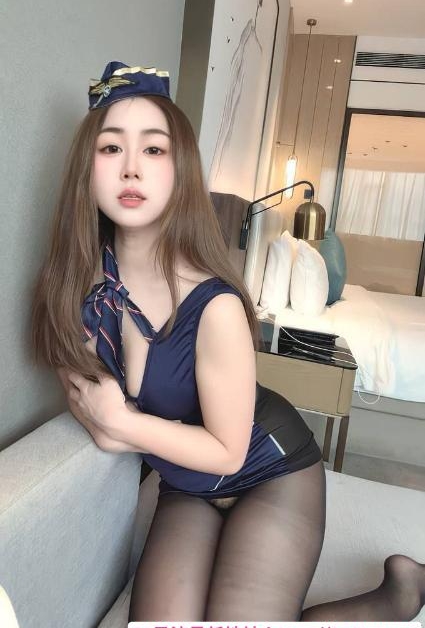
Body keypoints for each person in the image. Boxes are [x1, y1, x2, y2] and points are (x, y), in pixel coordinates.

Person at [30, 61, 425, 622]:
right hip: (187, 482)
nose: (131, 168)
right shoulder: (79, 289)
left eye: (154, 149)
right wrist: (115, 425)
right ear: (86, 169)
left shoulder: (214, 304)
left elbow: (223, 450)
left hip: (271, 470)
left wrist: (122, 424)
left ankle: (397, 596)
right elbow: (91, 408)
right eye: (111, 148)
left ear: (180, 172)